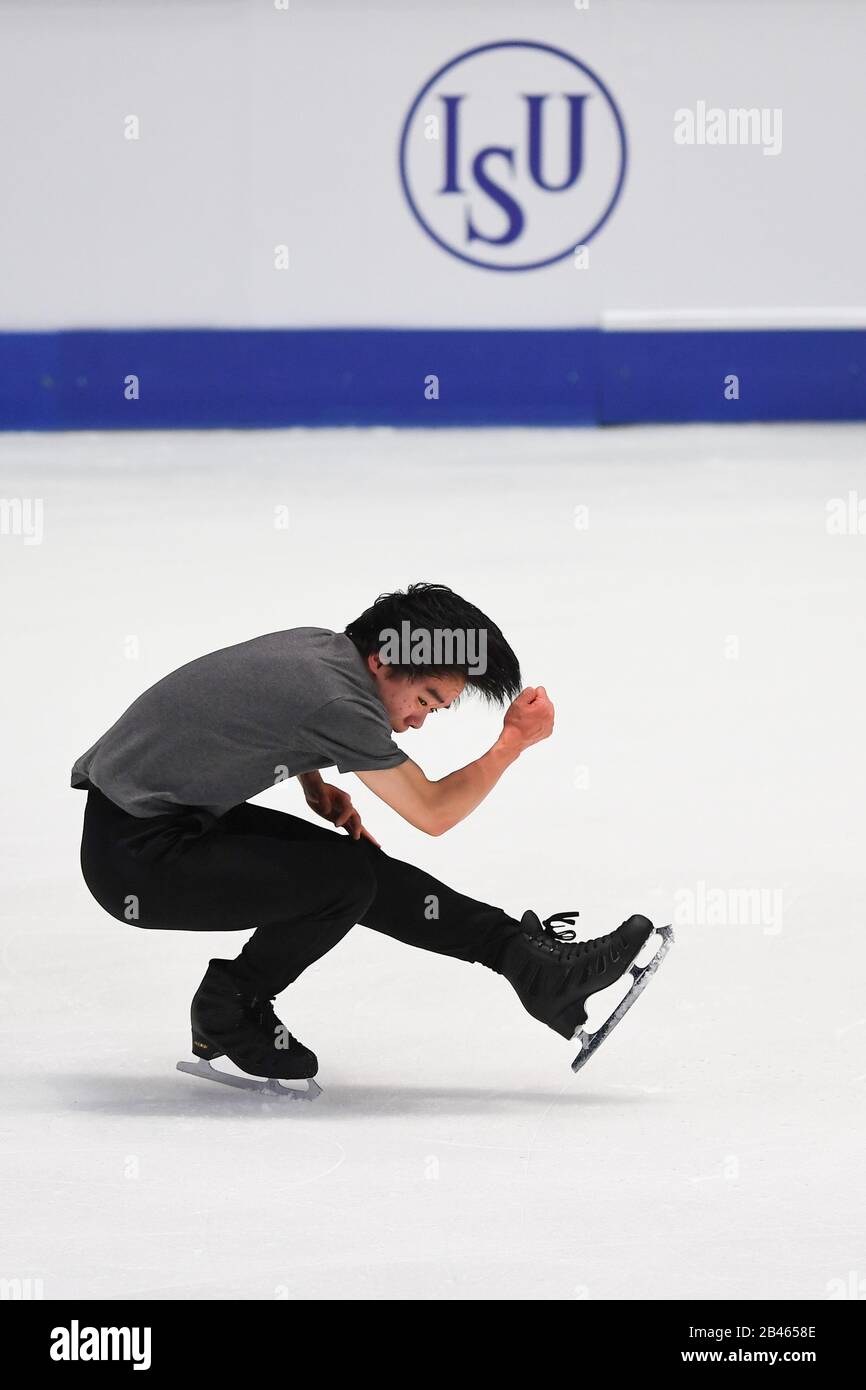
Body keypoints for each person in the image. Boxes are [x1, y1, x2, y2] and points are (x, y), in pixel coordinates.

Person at [72, 582, 654, 1085]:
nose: (420, 720)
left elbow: (274, 711)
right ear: (382, 658)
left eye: (438, 708)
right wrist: (511, 744)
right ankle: (230, 1007)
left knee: (358, 871)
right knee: (345, 880)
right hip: (136, 862)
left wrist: (314, 784)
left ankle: (531, 966)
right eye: (426, 699)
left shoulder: (320, 650)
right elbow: (433, 813)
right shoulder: (339, 701)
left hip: (154, 820)